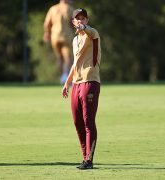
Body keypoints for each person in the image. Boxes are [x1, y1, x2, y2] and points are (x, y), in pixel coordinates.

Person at [62, 8, 101, 170]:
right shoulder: (75, 40)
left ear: (87, 20)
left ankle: (89, 160)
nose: (80, 21)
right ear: (73, 22)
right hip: (76, 85)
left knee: (88, 121)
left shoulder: (92, 34)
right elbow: (75, 63)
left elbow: (91, 32)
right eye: (78, 19)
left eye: (83, 18)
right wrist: (67, 82)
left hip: (90, 81)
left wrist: (85, 28)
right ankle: (84, 157)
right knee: (77, 122)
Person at [43, 0, 75, 84]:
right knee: (68, 58)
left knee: (59, 57)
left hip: (55, 35)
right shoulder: (70, 9)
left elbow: (47, 23)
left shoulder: (52, 9)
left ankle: (62, 76)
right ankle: (65, 76)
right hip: (67, 36)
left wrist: (47, 33)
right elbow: (74, 23)